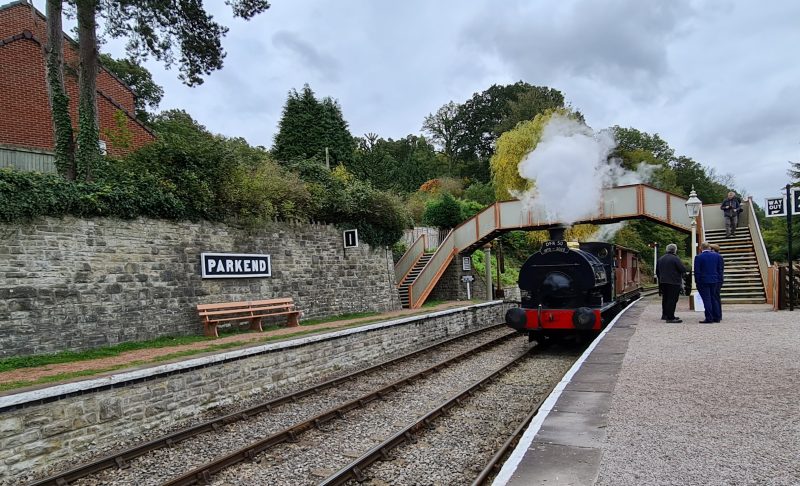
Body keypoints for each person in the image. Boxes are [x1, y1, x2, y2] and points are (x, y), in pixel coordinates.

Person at [655, 243, 687, 323]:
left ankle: (665, 315)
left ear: (667, 250)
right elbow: (682, 269)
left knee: (665, 299)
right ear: (675, 250)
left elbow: (657, 271)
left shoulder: (660, 259)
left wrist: (661, 279)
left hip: (663, 282)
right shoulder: (675, 258)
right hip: (673, 282)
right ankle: (670, 317)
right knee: (672, 299)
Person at [694, 242, 724, 323]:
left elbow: (697, 271)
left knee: (707, 299)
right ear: (709, 248)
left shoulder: (698, 257)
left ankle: (709, 318)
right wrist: (719, 279)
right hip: (715, 280)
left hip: (703, 281)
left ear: (701, 248)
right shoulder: (717, 256)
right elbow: (720, 269)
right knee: (714, 298)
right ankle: (717, 317)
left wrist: (697, 281)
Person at [710, 244, 724, 321]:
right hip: (718, 279)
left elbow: (720, 269)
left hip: (717, 280)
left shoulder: (718, 257)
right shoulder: (719, 257)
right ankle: (717, 314)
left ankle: (717, 315)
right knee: (716, 297)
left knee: (715, 297)